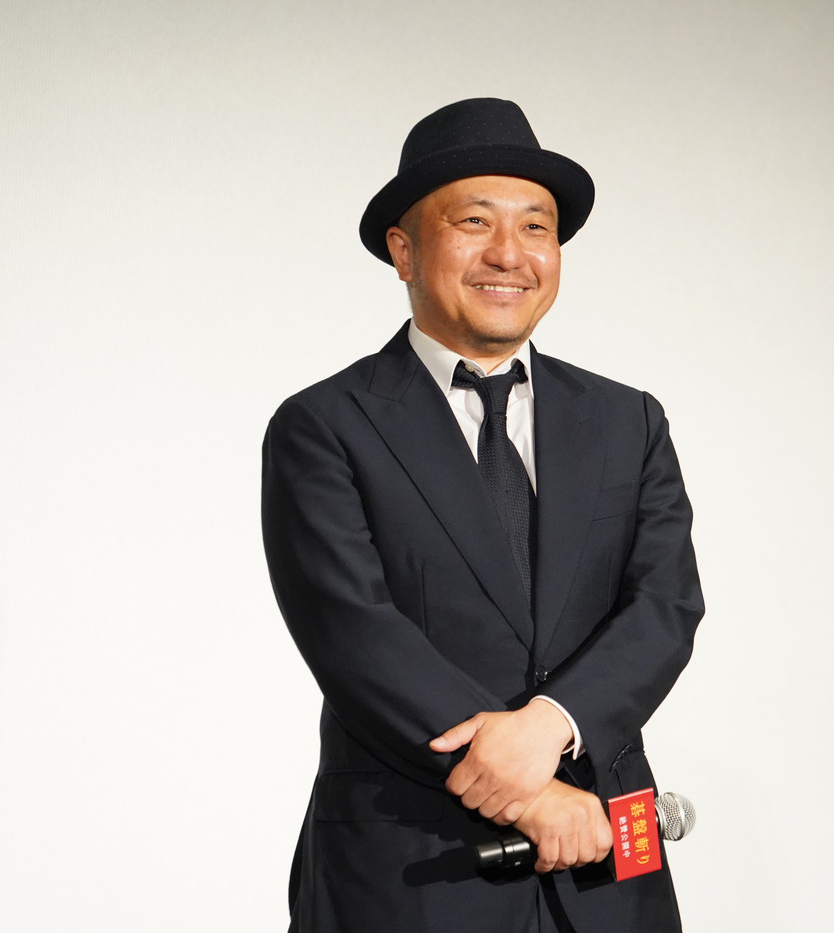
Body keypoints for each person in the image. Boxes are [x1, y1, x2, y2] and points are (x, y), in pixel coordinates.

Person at [261, 98, 703, 933]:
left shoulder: (628, 421)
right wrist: (532, 795)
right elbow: (354, 630)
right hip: (411, 870)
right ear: (403, 249)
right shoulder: (324, 425)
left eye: (536, 227)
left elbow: (665, 607)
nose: (509, 253)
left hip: (607, 864)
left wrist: (556, 725)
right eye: (474, 221)